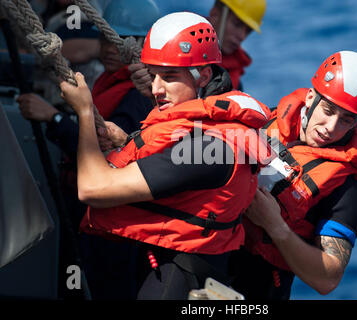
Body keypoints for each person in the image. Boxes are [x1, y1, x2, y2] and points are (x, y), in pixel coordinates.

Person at [59, 11, 272, 300]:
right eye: (153, 74)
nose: (156, 88)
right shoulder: (208, 129)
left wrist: (84, 111)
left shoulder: (206, 148)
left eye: (170, 77)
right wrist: (127, 140)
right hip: (180, 270)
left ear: (204, 76)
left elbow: (92, 188)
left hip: (174, 282)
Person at [17, 0, 161, 300]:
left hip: (112, 225)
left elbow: (109, 154)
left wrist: (54, 118)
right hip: (90, 212)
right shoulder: (110, 82)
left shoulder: (137, 96)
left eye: (119, 42)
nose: (109, 48)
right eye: (105, 39)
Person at [229, 51, 357, 299]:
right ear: (311, 98)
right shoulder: (267, 121)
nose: (331, 128)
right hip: (209, 257)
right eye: (328, 110)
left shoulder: (345, 188)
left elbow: (328, 279)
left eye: (347, 120)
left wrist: (274, 225)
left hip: (256, 290)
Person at [128, 0, 266, 99]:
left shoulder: (235, 78)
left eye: (248, 31)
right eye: (237, 24)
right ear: (216, 12)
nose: (242, 36)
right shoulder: (167, 45)